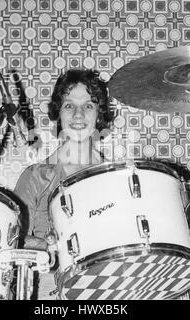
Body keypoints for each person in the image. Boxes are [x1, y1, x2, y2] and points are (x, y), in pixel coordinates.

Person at [13, 68, 115, 299]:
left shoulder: (114, 179)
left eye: (88, 106)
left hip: (105, 287)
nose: (78, 114)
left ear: (99, 115)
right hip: (47, 289)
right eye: (69, 105)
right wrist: (48, 245)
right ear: (58, 113)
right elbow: (14, 239)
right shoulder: (35, 176)